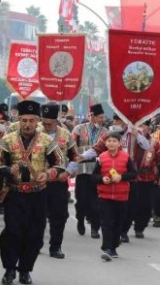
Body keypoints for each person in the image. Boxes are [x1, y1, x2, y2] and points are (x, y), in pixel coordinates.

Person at [0, 100, 66, 285]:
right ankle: (9, 269)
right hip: (15, 193)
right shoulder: (8, 139)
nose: (27, 124)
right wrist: (7, 170)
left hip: (38, 194)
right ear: (19, 120)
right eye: (24, 120)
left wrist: (48, 173)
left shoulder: (46, 141)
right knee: (12, 232)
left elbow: (59, 163)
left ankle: (25, 269)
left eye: (31, 120)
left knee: (35, 234)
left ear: (38, 121)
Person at [92, 132, 137, 261]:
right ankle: (107, 248)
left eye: (114, 141)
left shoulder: (126, 157)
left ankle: (114, 246)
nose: (111, 143)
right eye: (109, 141)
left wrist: (121, 177)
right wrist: (102, 179)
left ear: (119, 143)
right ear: (105, 143)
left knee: (118, 222)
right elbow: (94, 177)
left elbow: (133, 174)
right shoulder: (101, 157)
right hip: (104, 196)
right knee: (106, 222)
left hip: (121, 195)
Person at [41, 103, 78, 259]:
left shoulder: (65, 135)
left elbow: (74, 156)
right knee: (37, 216)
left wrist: (69, 171)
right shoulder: (34, 132)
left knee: (59, 216)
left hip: (58, 182)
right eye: (44, 121)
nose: (46, 125)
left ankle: (55, 247)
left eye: (50, 122)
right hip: (38, 182)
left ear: (56, 120)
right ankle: (35, 243)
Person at [71, 104, 107, 239]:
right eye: (100, 117)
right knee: (81, 200)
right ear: (92, 116)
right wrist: (72, 166)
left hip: (98, 170)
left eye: (103, 117)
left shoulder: (105, 132)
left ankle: (95, 228)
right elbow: (71, 148)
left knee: (96, 201)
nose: (102, 119)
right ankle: (80, 219)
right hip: (82, 169)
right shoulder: (78, 129)